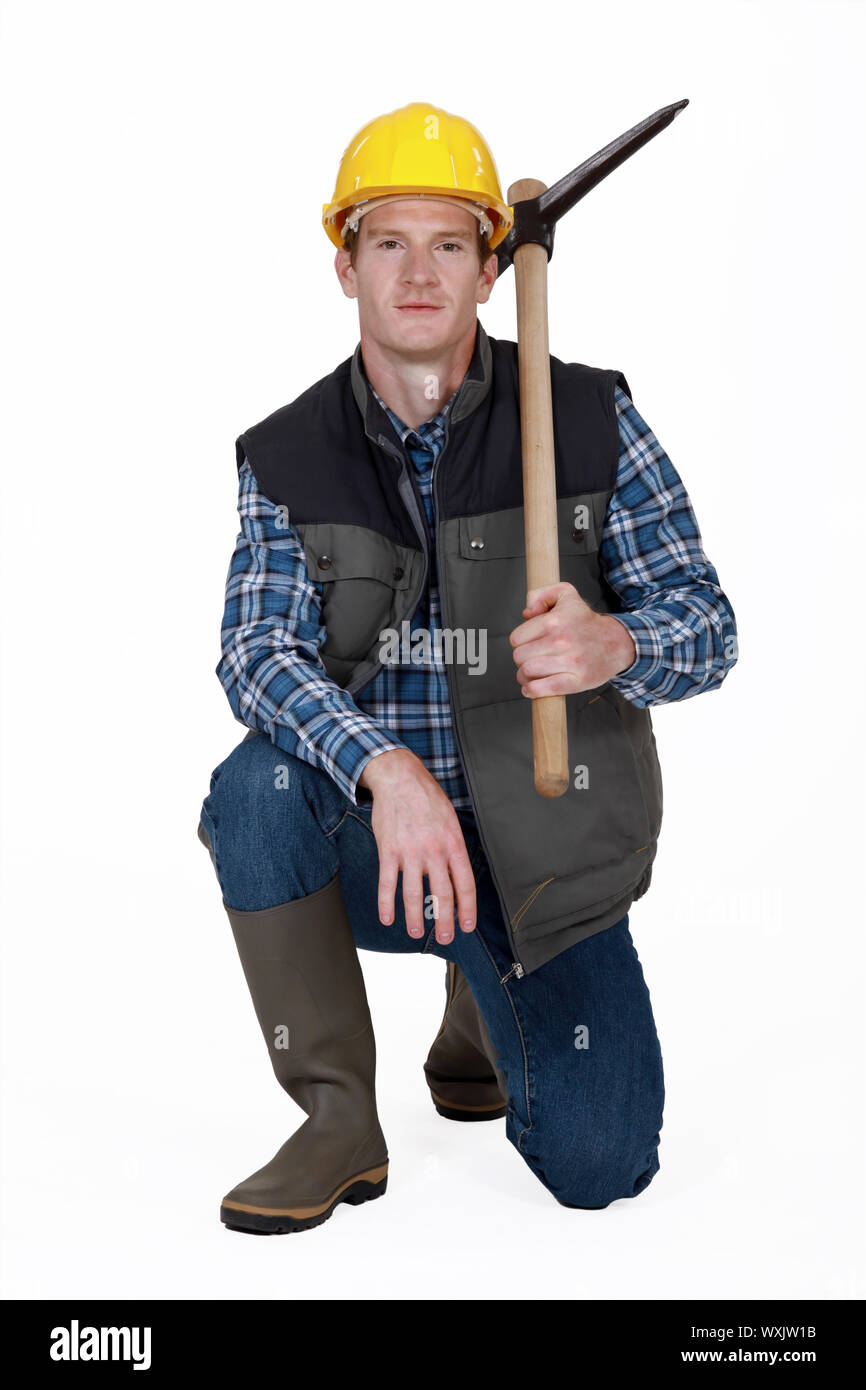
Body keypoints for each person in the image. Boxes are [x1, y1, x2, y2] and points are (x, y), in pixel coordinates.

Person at [197, 101, 738, 1235]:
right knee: (254, 786)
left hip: (540, 850)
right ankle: (336, 1115)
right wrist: (382, 767)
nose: (417, 273)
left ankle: (476, 1007)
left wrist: (618, 641)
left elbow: (709, 624)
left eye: (448, 243)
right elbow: (254, 650)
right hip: (383, 847)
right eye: (387, 242)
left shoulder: (588, 418)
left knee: (601, 1162)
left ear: (490, 270)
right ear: (343, 266)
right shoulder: (287, 453)